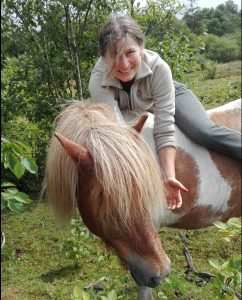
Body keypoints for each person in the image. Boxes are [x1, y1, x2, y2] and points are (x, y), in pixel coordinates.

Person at [88, 15, 241, 210]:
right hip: (138, 108)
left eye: (130, 52)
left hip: (170, 94)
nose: (124, 64)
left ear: (142, 47)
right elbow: (117, 134)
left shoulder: (159, 68)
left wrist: (169, 175)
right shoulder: (98, 81)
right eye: (114, 56)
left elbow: (164, 128)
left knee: (202, 131)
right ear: (103, 57)